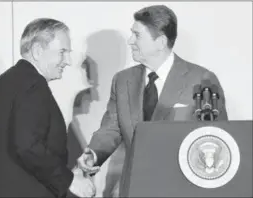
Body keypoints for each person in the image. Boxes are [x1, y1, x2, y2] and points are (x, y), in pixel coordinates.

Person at [77, 5, 228, 197]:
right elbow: (111, 128)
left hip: (183, 190)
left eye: (137, 35)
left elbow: (217, 139)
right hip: (132, 189)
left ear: (160, 42)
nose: (130, 41)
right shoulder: (122, 80)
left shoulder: (202, 79)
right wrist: (94, 154)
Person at [0, 18, 95, 197]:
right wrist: (69, 180)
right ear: (37, 51)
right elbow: (27, 145)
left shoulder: (4, 83)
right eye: (62, 52)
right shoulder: (34, 86)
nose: (67, 61)